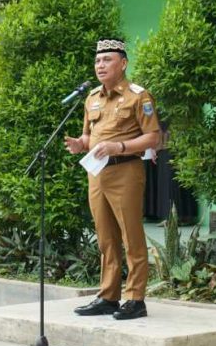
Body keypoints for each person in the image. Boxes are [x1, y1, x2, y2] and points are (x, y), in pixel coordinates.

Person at [64, 38, 161, 321]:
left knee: (131, 236)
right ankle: (108, 296)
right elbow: (89, 135)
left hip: (126, 171)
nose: (100, 65)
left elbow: (153, 137)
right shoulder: (92, 97)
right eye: (97, 60)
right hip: (97, 174)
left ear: (123, 63)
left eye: (107, 60)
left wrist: (118, 147)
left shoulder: (138, 96)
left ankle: (135, 299)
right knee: (105, 237)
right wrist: (80, 144)